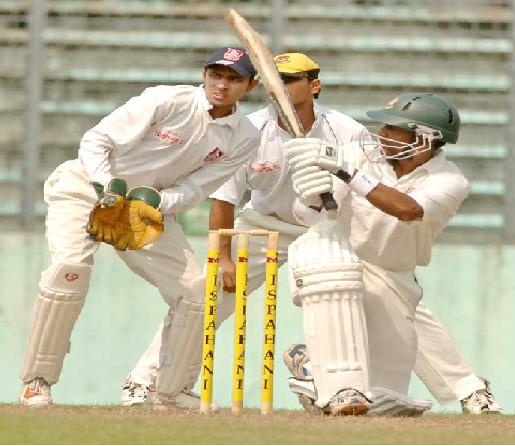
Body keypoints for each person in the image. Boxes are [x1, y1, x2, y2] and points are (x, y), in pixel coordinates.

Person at [121, 55, 501, 415]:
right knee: (206, 292)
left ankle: (467, 389)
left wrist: (329, 185)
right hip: (263, 225)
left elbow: (394, 205)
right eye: (273, 79)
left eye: (288, 80)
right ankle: (147, 381)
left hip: (334, 233)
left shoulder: (346, 131)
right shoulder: (247, 130)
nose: (278, 86)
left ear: (313, 84)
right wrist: (223, 256)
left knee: (400, 305)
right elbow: (224, 198)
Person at [19, 47, 260, 408]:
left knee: (196, 291)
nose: (221, 86)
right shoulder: (166, 100)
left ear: (250, 86)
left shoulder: (244, 137)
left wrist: (159, 202)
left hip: (144, 209)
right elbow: (96, 140)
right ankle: (36, 382)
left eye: (233, 79)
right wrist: (105, 186)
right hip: (87, 188)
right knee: (69, 270)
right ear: (204, 74)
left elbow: (197, 188)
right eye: (216, 75)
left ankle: (166, 388)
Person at [283, 92, 502, 415]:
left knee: (385, 394)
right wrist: (309, 193)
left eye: (393, 129)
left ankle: (313, 370)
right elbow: (313, 213)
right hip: (334, 253)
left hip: (393, 273)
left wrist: (347, 172)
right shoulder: (357, 155)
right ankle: (334, 384)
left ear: (425, 140)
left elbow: (408, 210)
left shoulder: (450, 180)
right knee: (334, 275)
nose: (382, 134)